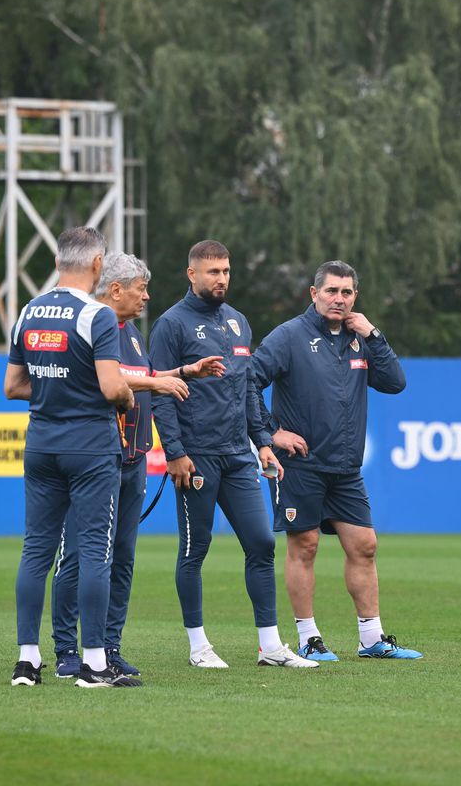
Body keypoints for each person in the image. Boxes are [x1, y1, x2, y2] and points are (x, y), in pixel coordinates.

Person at [49, 252, 226, 678]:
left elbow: (141, 375)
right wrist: (159, 380)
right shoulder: (89, 325)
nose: (147, 297)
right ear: (115, 289)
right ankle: (66, 650)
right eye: (140, 289)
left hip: (132, 459)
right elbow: (107, 379)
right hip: (93, 458)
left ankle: (109, 647)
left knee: (123, 557)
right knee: (76, 556)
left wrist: (185, 371)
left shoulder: (130, 332)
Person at [149, 239, 317, 669]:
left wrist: (262, 442)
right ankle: (198, 647)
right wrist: (174, 452)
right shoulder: (170, 324)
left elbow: (245, 390)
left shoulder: (238, 322)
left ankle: (270, 647)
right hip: (196, 456)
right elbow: (160, 393)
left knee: (261, 543)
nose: (221, 278)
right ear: (192, 274)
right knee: (195, 549)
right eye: (213, 272)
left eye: (226, 271)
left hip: (238, 455)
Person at [252, 260, 421, 661]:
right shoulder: (289, 336)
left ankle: (371, 639)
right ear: (314, 293)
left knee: (365, 545)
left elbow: (395, 382)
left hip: (345, 467)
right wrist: (271, 433)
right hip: (299, 465)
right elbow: (247, 381)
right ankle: (308, 638)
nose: (339, 299)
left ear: (355, 297)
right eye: (331, 291)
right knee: (305, 546)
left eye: (346, 292)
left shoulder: (359, 339)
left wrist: (373, 334)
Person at [4, 226, 140, 688]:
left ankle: (27, 660)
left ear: (58, 261)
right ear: (98, 264)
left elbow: (13, 386)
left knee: (36, 550)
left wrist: (55, 391)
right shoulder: (96, 314)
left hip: (41, 444)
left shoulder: (29, 310)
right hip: (90, 447)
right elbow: (111, 387)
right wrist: (127, 398)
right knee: (96, 551)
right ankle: (95, 664)